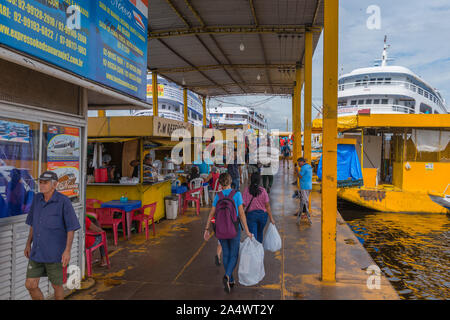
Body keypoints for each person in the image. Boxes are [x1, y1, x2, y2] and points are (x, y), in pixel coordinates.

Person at [24, 171, 80, 300]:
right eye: (41, 182)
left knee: (57, 286)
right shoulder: (37, 199)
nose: (42, 185)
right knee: (30, 284)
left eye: (45, 183)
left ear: (54, 185)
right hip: (37, 251)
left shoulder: (63, 201)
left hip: (56, 254)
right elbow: (33, 223)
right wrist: (28, 244)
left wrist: (67, 251)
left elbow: (71, 228)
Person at [204, 173, 252, 293]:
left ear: (219, 184)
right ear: (231, 182)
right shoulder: (236, 194)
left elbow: (211, 214)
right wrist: (247, 231)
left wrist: (207, 229)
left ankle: (230, 279)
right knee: (234, 254)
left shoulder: (218, 196)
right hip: (234, 229)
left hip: (221, 229)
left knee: (226, 253)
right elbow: (241, 214)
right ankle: (227, 276)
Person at [243, 172, 275, 244]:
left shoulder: (246, 190)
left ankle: (255, 251)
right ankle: (259, 250)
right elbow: (267, 206)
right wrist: (271, 218)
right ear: (259, 180)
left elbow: (243, 205)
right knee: (260, 233)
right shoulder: (263, 191)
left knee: (253, 236)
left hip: (251, 216)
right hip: (262, 216)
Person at [296, 157, 313, 225]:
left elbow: (300, 176)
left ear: (302, 162)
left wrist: (297, 170)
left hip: (304, 186)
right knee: (305, 199)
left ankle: (306, 214)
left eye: (299, 162)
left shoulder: (303, 168)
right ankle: (303, 212)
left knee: (305, 200)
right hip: (309, 186)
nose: (298, 164)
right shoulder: (309, 166)